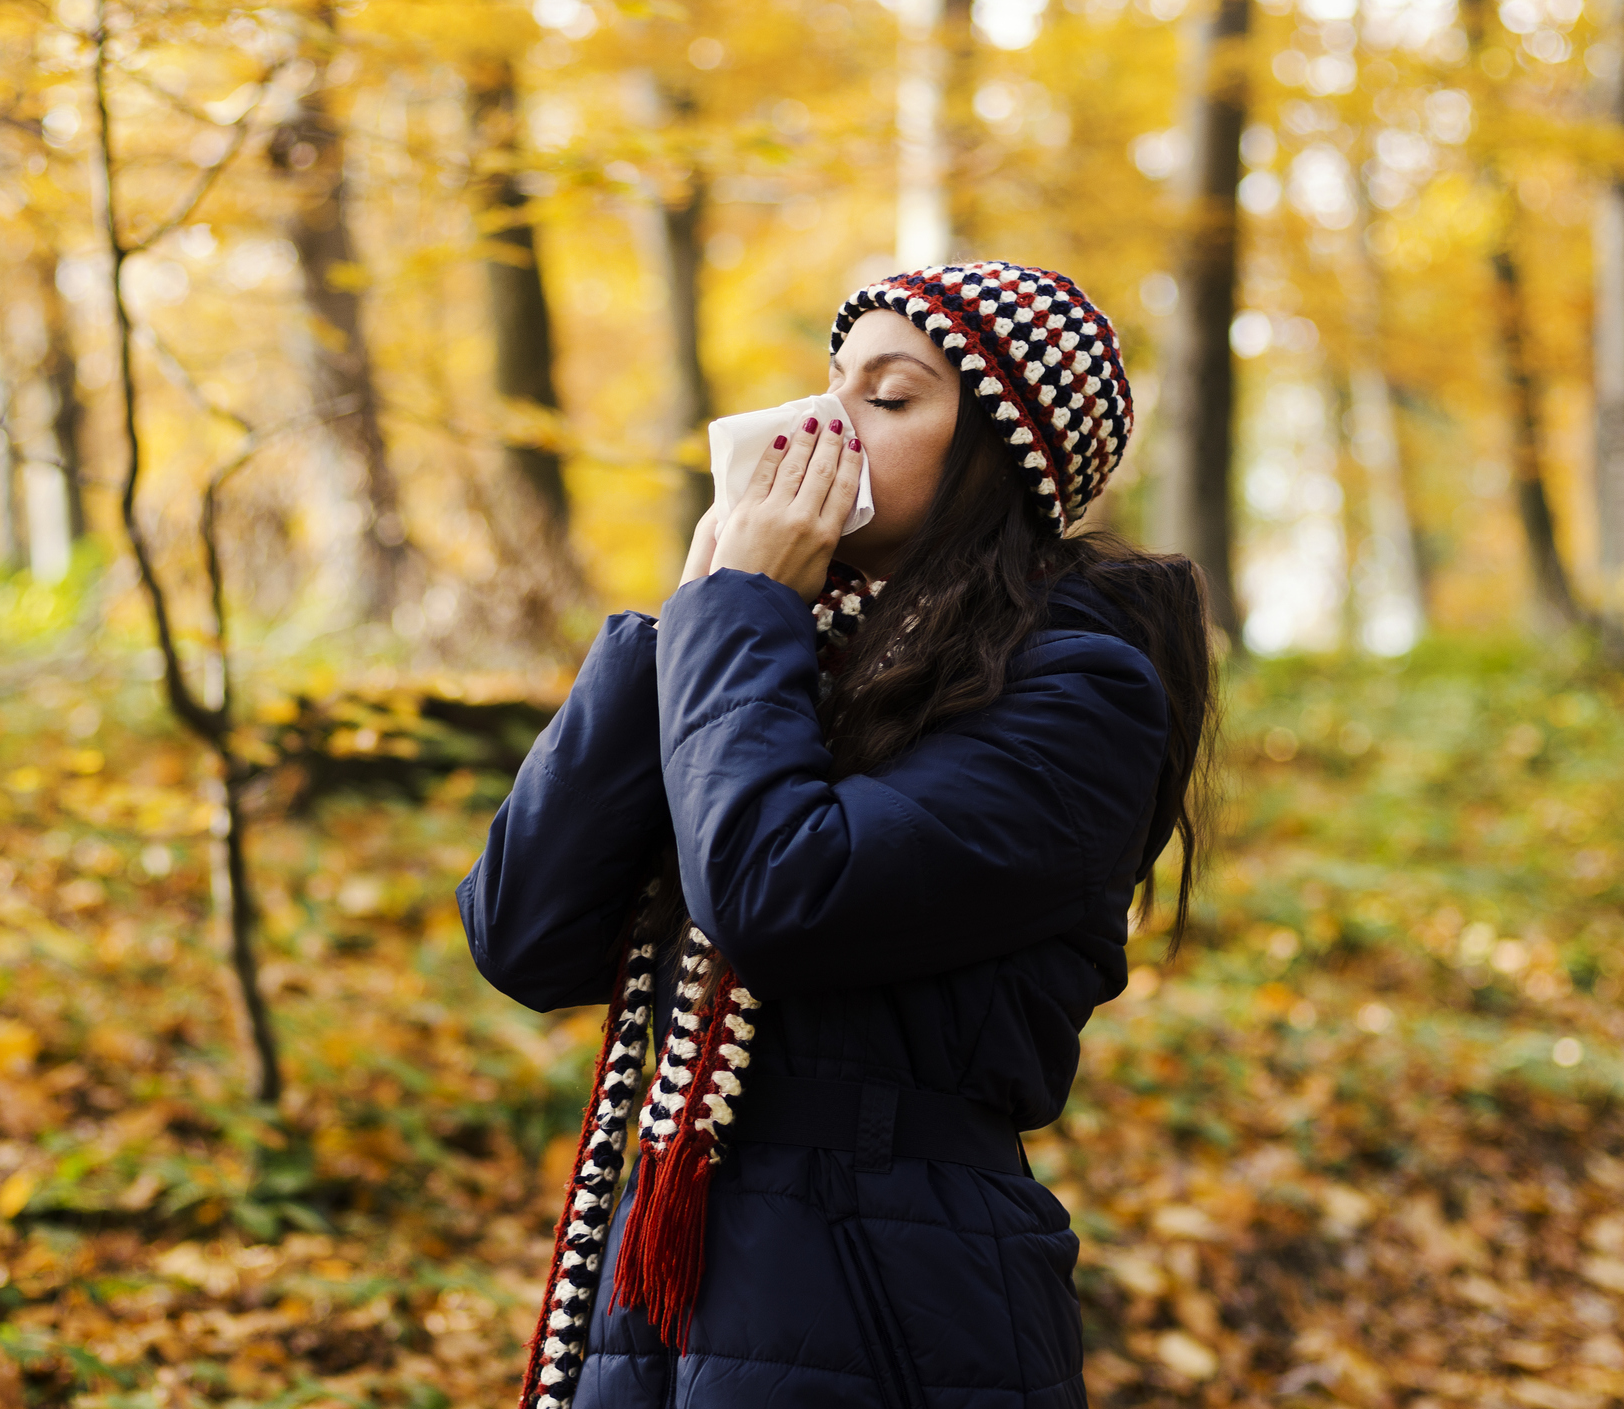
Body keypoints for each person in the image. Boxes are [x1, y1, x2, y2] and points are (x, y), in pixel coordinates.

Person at [459, 261, 1216, 1409]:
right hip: (670, 1278)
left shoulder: (1079, 692)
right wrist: (690, 612)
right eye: (831, 384)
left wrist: (738, 621)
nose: (821, 426)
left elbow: (778, 893)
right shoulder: (780, 659)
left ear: (1005, 455)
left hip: (892, 1296)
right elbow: (524, 933)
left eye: (889, 397)